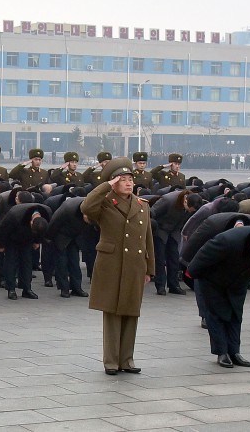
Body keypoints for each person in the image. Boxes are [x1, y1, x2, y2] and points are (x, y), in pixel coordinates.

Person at [81, 158, 154, 375]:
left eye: (130, 179)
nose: (129, 183)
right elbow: (86, 206)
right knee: (112, 313)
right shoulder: (104, 203)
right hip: (111, 264)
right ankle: (111, 361)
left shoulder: (142, 206)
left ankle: (127, 360)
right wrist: (106, 186)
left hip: (134, 265)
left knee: (132, 312)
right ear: (114, 182)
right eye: (123, 180)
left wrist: (149, 268)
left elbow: (147, 239)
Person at [186, 225, 250, 368]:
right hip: (213, 279)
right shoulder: (228, 240)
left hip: (239, 280)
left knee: (236, 314)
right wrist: (190, 274)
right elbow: (203, 255)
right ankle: (222, 352)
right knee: (216, 314)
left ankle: (234, 352)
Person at [0, 200, 51, 300]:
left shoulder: (46, 213)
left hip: (27, 241)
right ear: (31, 221)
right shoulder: (14, 215)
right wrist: (0, 245)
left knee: (27, 263)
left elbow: (41, 232)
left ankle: (27, 289)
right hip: (12, 238)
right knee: (11, 263)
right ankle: (11, 289)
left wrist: (37, 241)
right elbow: (3, 230)